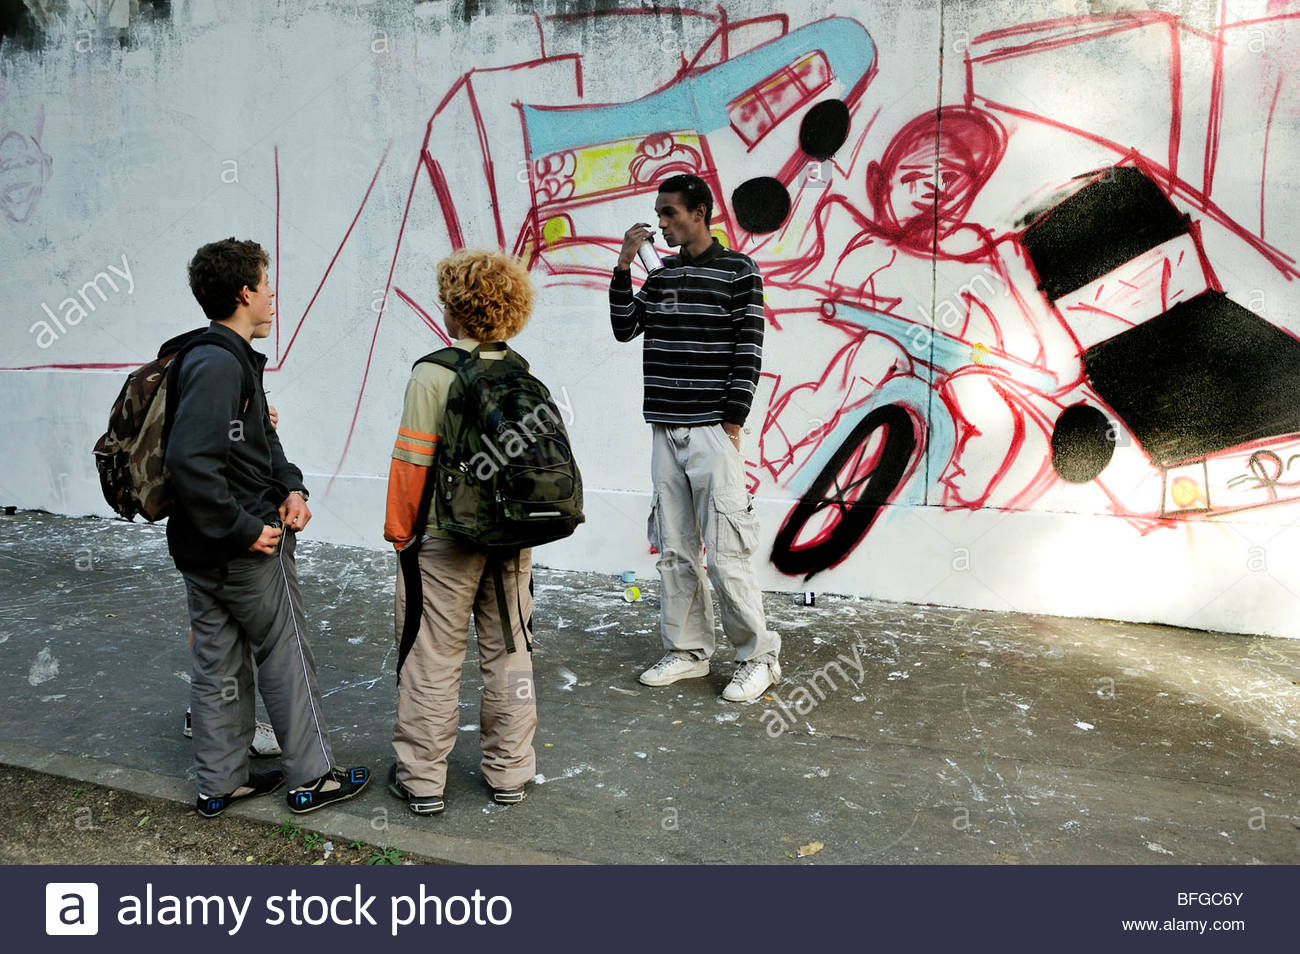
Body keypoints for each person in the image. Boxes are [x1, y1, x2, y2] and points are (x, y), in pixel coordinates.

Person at [166, 237, 369, 817]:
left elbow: (255, 448)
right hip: (244, 548)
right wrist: (242, 528)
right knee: (286, 654)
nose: (273, 294)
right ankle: (314, 779)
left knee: (217, 663)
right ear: (243, 293)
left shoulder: (214, 357)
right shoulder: (217, 363)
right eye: (265, 282)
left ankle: (219, 785)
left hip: (202, 550)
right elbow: (190, 460)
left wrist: (293, 487)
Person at [611, 173, 782, 702]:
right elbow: (625, 326)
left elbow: (748, 349)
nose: (661, 223)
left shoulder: (738, 271)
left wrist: (731, 421)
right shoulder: (661, 274)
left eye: (669, 213)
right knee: (676, 548)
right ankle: (687, 650)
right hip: (665, 425)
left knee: (727, 550)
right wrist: (624, 264)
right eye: (658, 214)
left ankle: (759, 657)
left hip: (712, 428)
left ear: (700, 212)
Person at [383, 248, 538, 814]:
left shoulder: (433, 372)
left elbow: (412, 462)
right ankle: (510, 772)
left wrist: (401, 535)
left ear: (456, 308)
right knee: (511, 653)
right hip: (512, 537)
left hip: (443, 538)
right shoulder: (518, 369)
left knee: (431, 656)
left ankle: (422, 780)